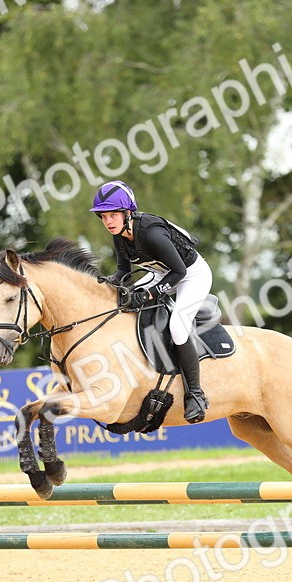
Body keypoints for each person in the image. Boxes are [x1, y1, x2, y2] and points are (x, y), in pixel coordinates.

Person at [90, 180, 212, 423]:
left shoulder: (152, 234)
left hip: (191, 274)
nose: (108, 222)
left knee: (178, 326)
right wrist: (104, 285)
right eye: (103, 217)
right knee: (122, 303)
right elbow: (122, 273)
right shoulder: (120, 235)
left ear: (128, 213)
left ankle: (196, 394)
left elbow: (179, 272)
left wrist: (149, 294)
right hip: (161, 273)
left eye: (113, 215)